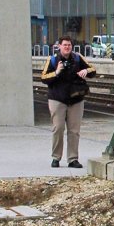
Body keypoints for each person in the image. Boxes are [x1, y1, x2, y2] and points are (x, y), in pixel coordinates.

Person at [41, 36, 96, 168]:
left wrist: (85, 70)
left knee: (74, 130)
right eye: (65, 45)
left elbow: (92, 70)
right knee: (58, 128)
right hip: (57, 99)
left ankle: (72, 159)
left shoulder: (78, 58)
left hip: (76, 99)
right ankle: (56, 157)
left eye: (69, 45)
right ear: (59, 46)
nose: (67, 47)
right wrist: (57, 71)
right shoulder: (53, 60)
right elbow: (43, 78)